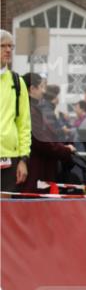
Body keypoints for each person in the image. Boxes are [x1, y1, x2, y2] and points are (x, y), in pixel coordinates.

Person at [22, 73, 75, 193]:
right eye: (41, 87)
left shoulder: (33, 108)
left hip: (39, 168)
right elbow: (41, 141)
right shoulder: (32, 110)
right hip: (37, 169)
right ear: (32, 89)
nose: (43, 91)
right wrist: (65, 149)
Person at [0, 30, 31, 192]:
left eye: (10, 46)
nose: (8, 50)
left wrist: (23, 160)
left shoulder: (17, 82)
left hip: (9, 158)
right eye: (3, 46)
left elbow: (24, 124)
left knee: (4, 206)